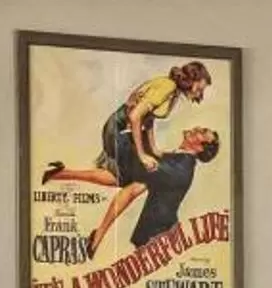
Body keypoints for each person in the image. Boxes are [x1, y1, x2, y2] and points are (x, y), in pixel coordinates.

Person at [41, 60, 211, 201]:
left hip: (125, 131)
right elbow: (135, 117)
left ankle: (59, 173)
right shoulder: (167, 87)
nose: (199, 94)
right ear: (191, 79)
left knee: (122, 178)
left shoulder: (172, 91)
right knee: (135, 175)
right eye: (200, 88)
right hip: (118, 132)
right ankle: (60, 174)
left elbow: (149, 118)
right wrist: (143, 155)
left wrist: (153, 149)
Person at [87, 126, 220, 256]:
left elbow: (134, 166)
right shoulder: (176, 159)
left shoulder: (179, 167)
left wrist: (134, 129)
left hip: (158, 238)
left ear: (200, 148)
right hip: (154, 237)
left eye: (202, 132)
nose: (197, 128)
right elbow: (131, 190)